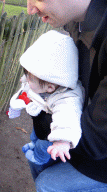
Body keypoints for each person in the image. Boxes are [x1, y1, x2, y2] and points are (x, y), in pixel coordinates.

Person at [25, 0, 107, 191]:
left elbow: (96, 141)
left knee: (48, 185)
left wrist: (40, 118)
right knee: (38, 157)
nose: (30, 9)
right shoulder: (73, 22)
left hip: (100, 152)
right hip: (78, 122)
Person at [8, 30, 84, 166]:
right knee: (35, 135)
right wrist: (27, 78)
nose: (26, 80)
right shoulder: (47, 82)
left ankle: (38, 158)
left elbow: (68, 117)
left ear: (49, 87)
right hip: (40, 121)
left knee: (43, 146)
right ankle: (33, 144)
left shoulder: (66, 97)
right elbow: (35, 78)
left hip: (53, 131)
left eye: (29, 78)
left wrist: (62, 140)